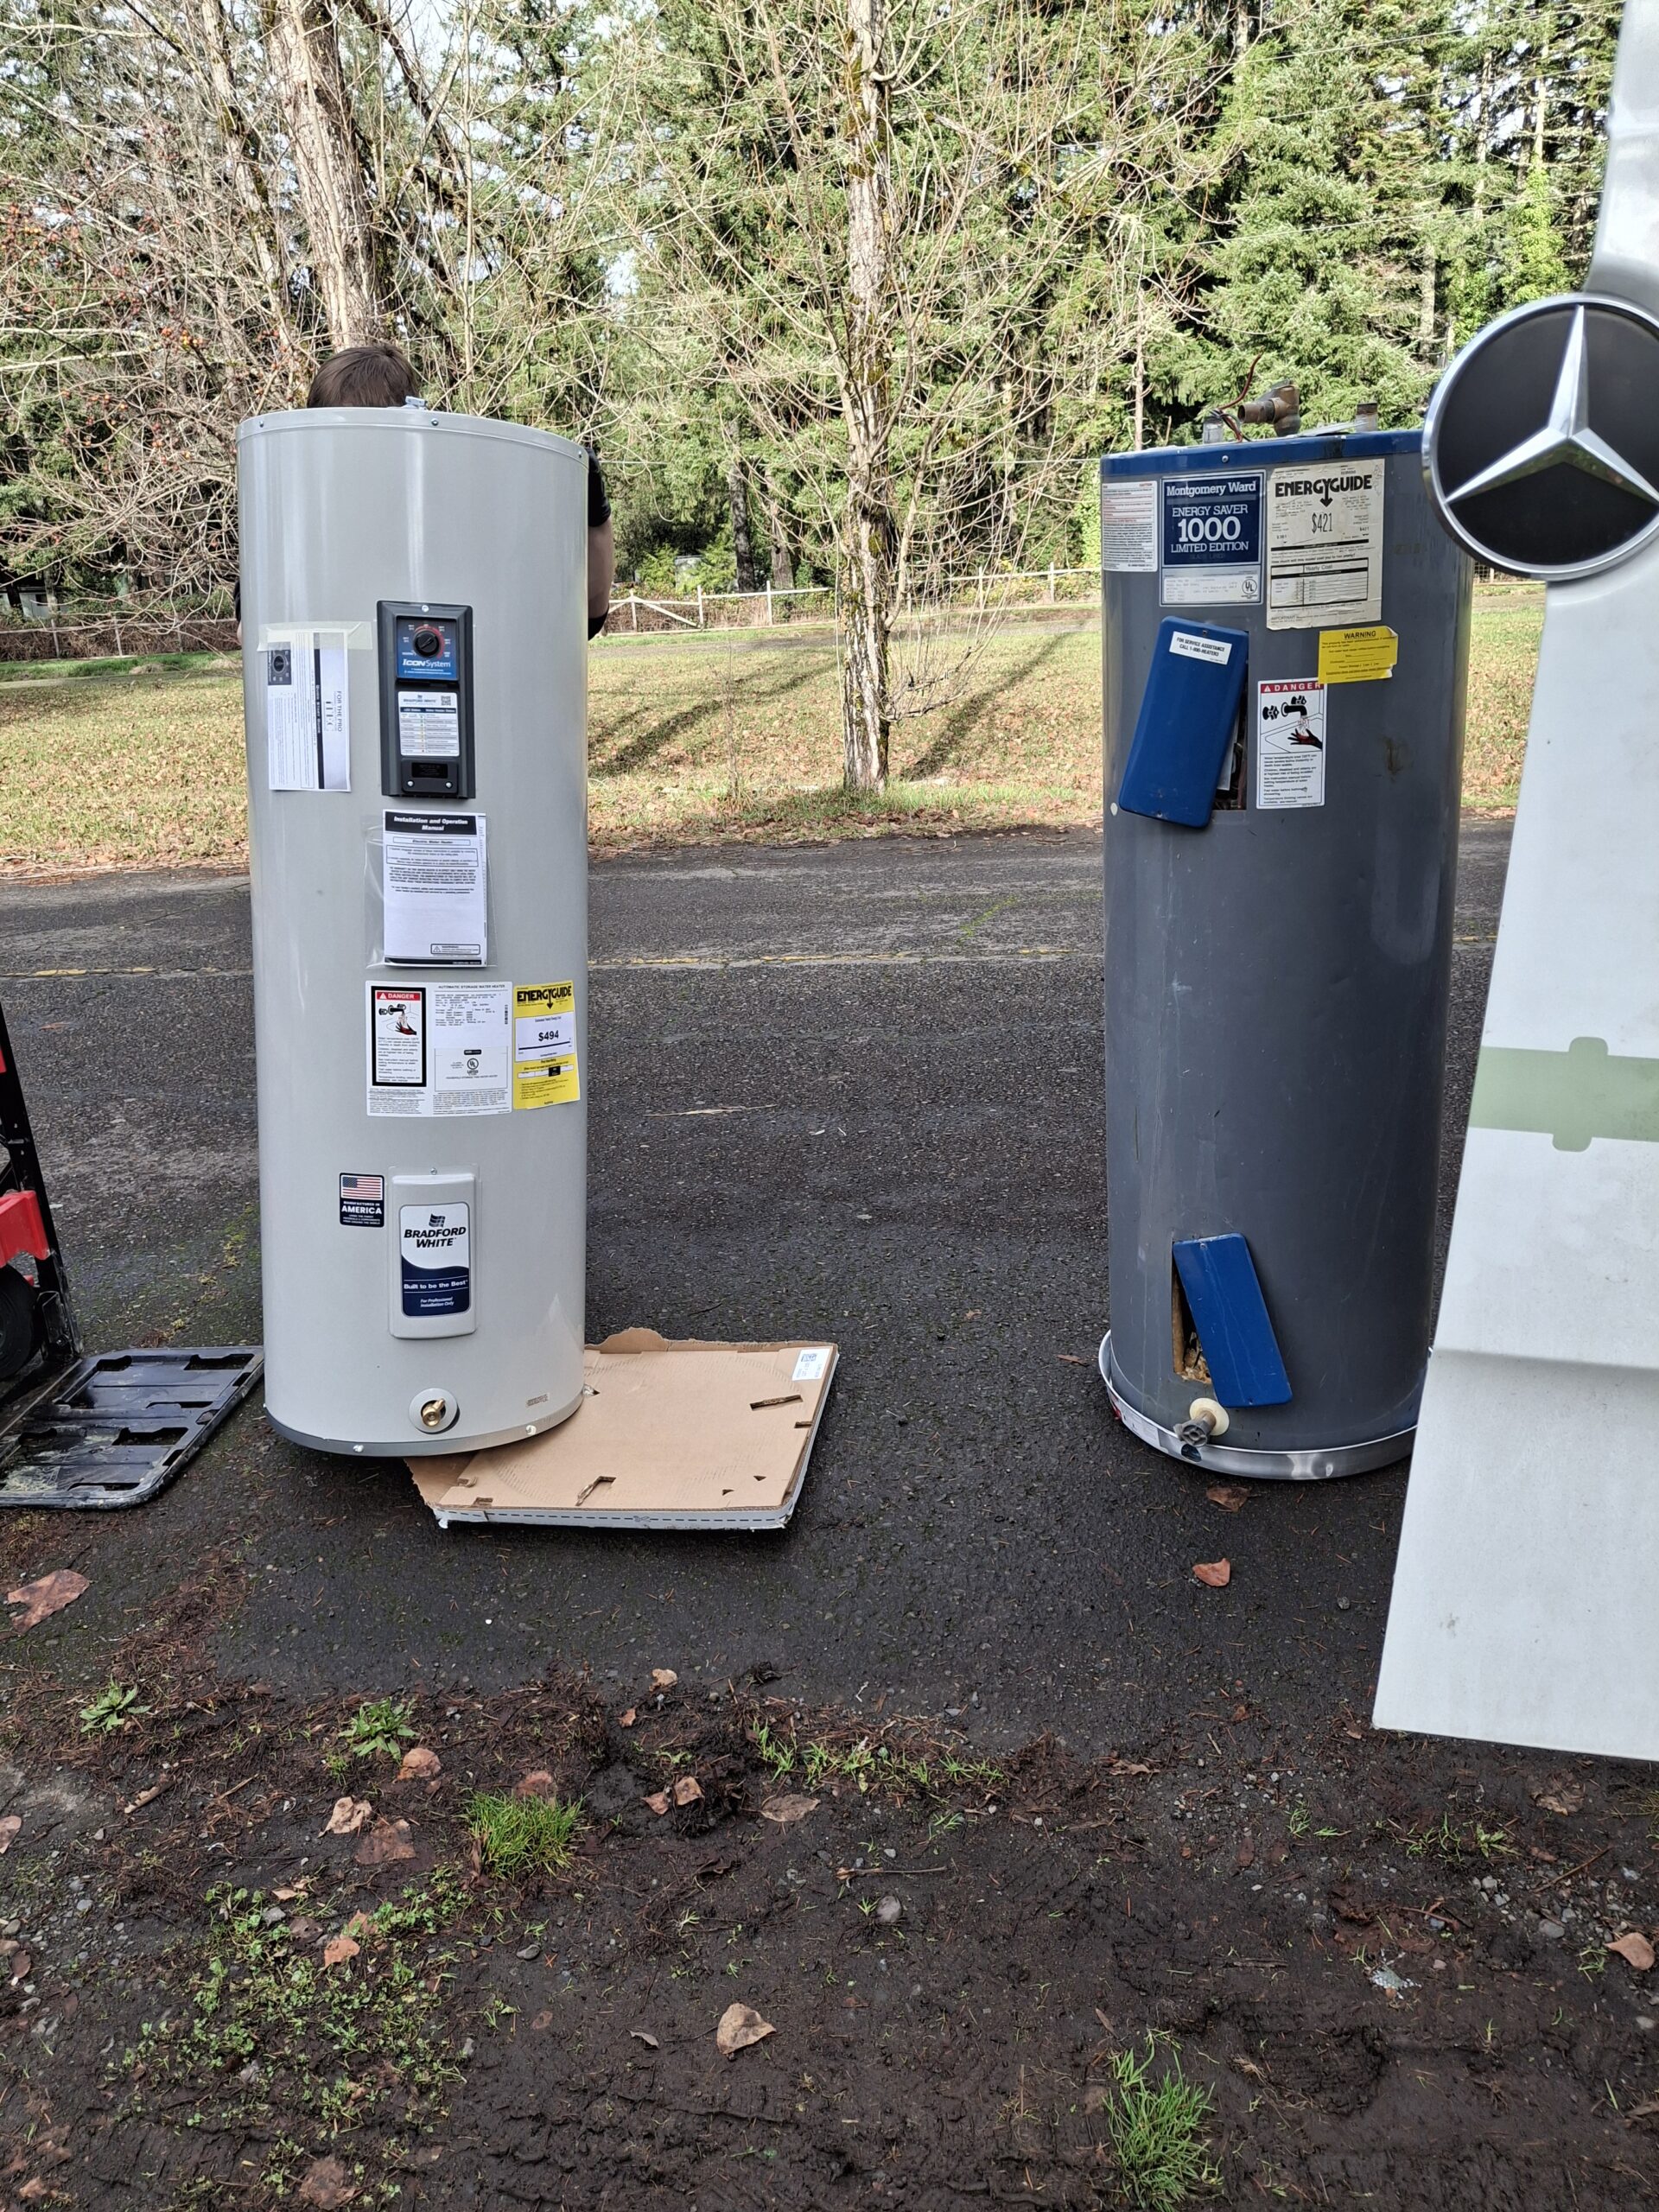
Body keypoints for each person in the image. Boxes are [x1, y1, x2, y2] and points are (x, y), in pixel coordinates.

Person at [236, 342, 614, 638]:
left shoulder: (467, 518)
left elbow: (586, 617)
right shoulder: (297, 536)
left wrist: (594, 515)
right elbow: (255, 638)